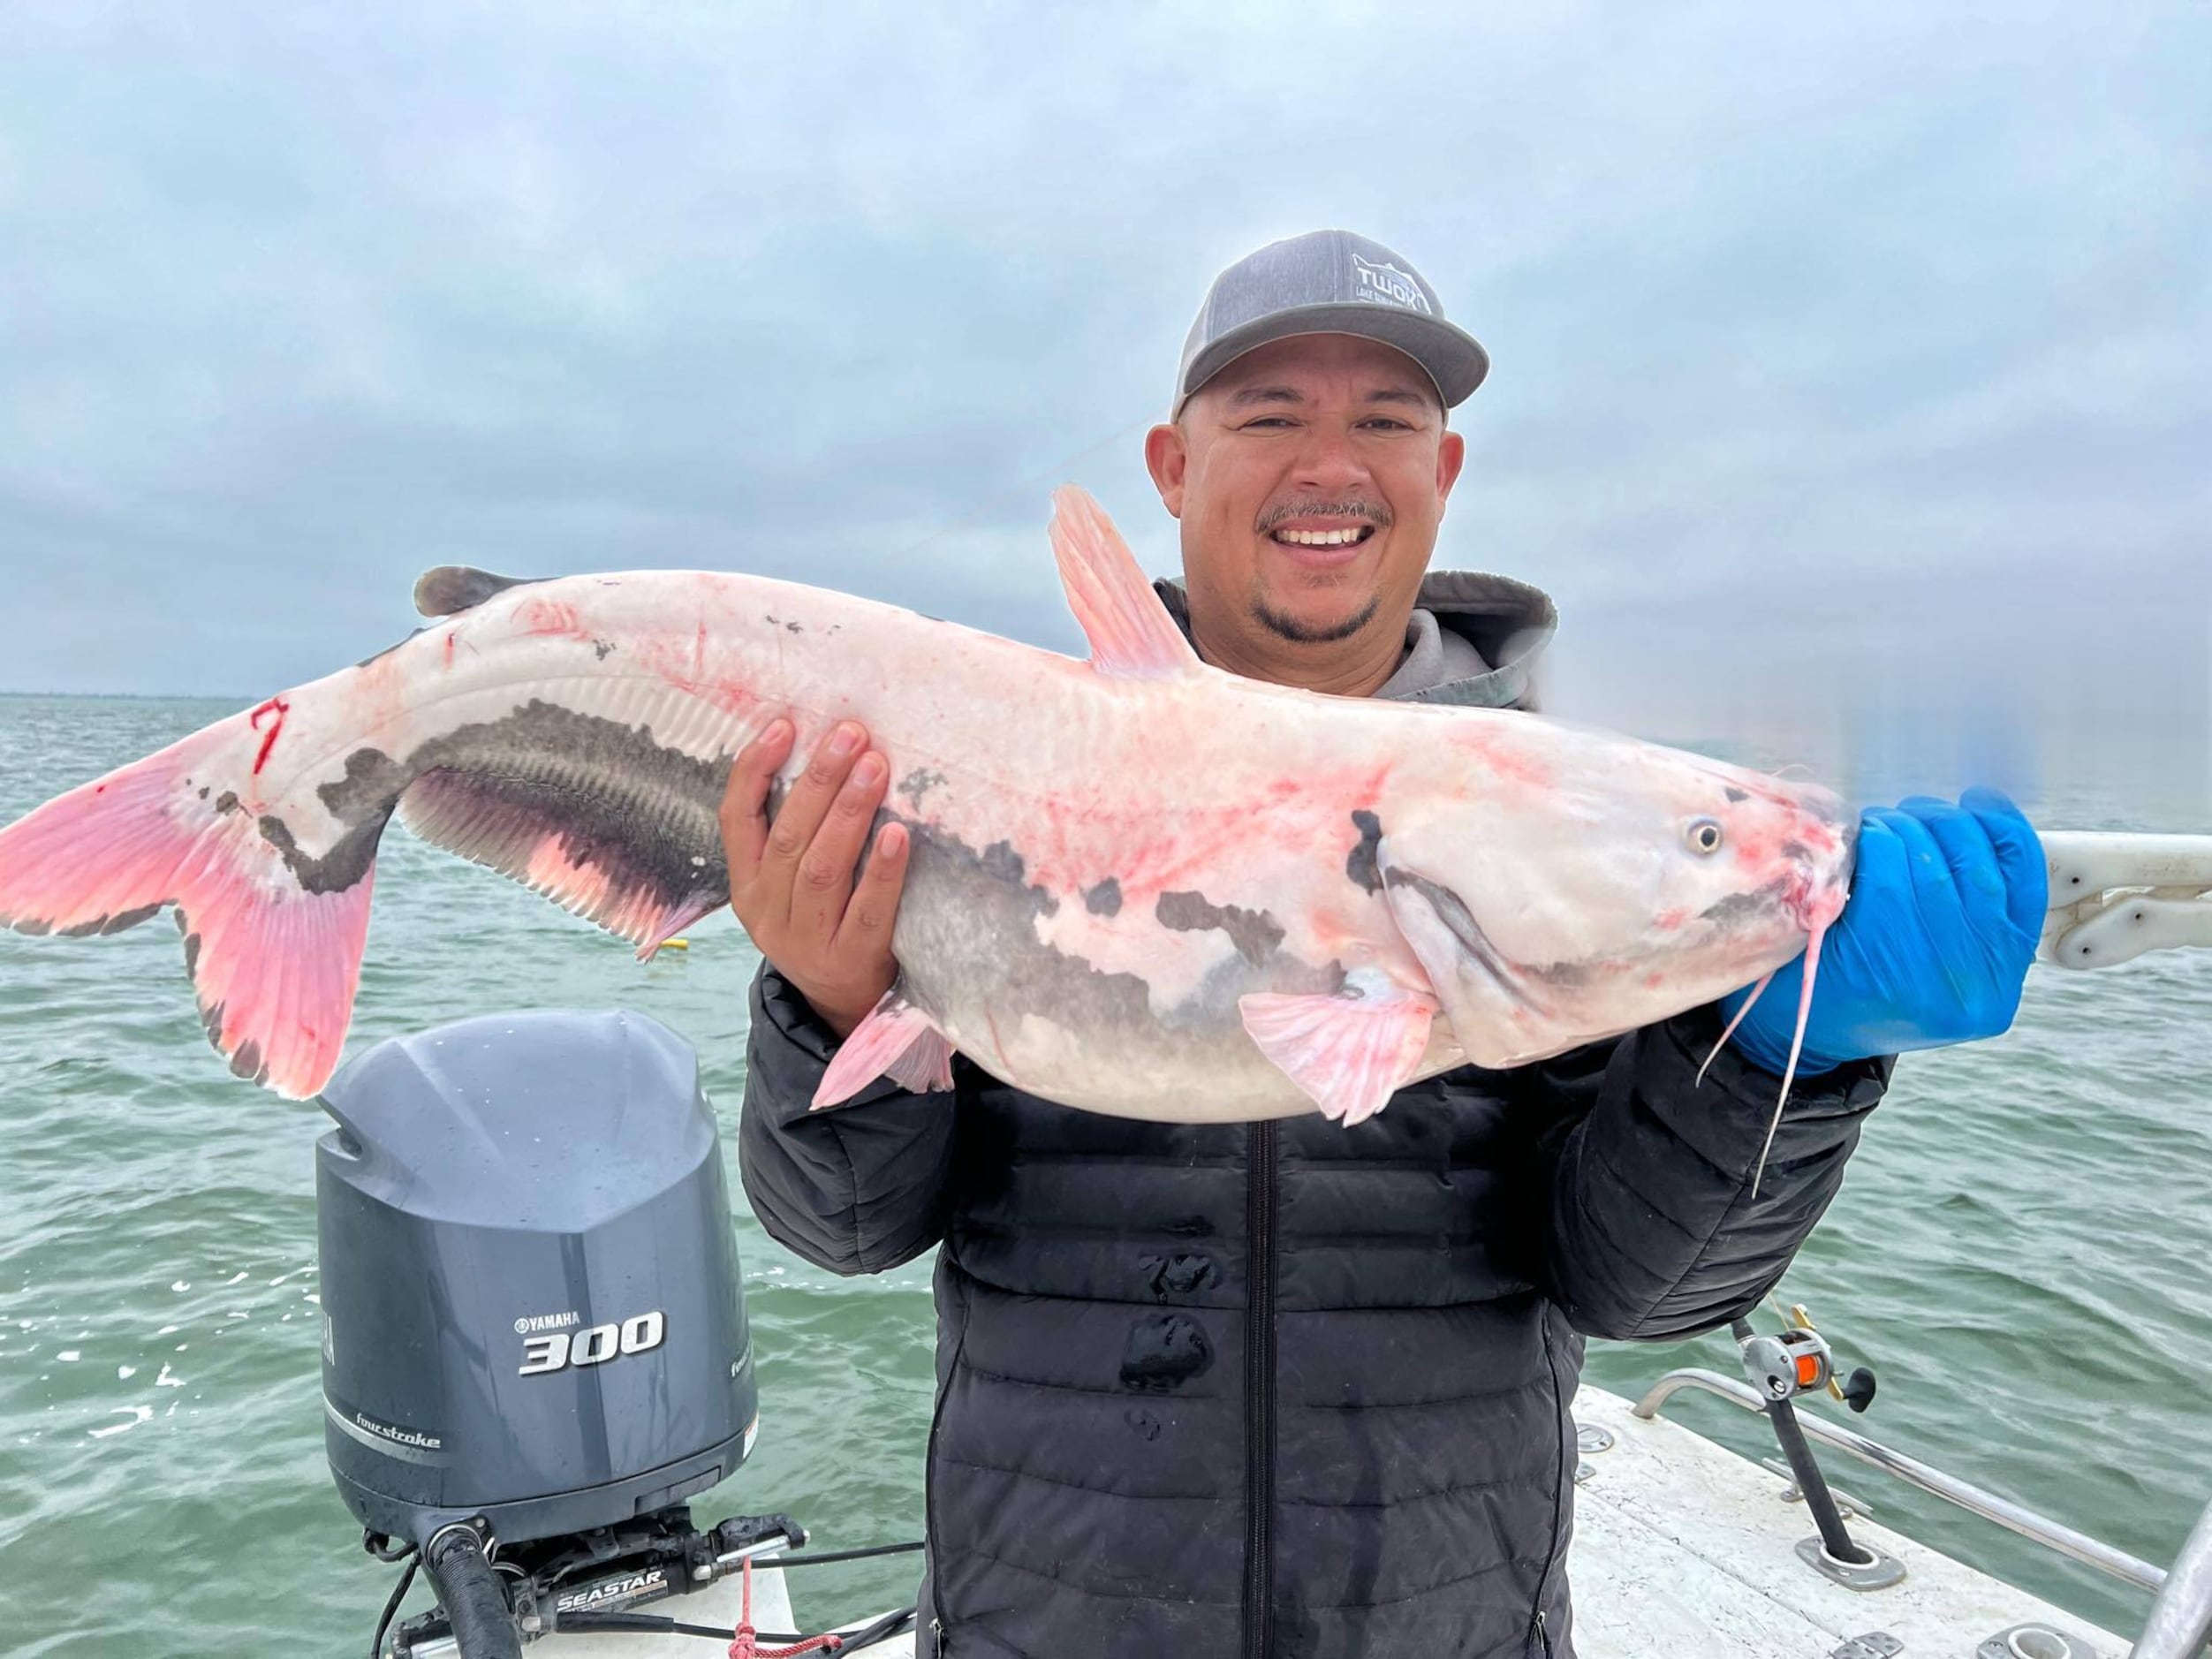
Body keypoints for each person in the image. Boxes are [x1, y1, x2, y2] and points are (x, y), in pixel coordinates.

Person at [719, 231, 2046, 1657]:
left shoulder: (1561, 854)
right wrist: (828, 996)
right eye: (1272, 415)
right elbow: (841, 1228)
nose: (1330, 465)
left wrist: (1791, 1059)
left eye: (1387, 420)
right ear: (1171, 466)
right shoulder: (990, 789)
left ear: (1446, 472)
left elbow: (1640, 1286)